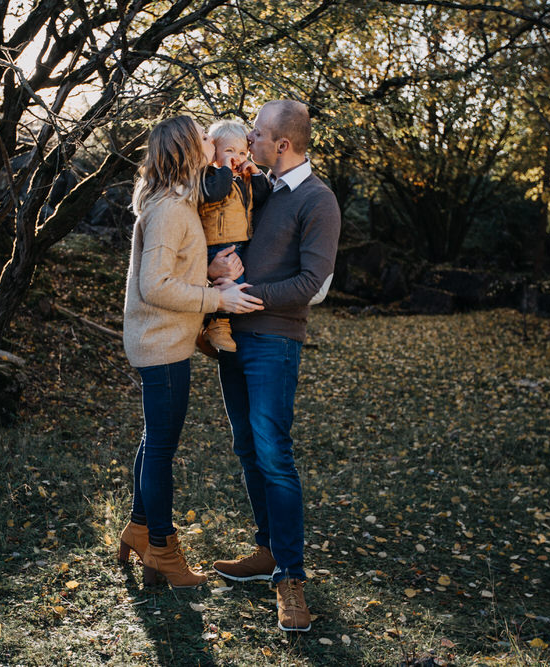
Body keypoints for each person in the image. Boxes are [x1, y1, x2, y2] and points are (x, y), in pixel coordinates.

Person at [209, 100, 341, 631]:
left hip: (274, 342)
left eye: (258, 134)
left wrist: (247, 294)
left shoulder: (318, 200)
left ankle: (290, 576)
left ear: (281, 144)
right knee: (246, 448)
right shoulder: (254, 189)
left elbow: (311, 284)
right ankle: (266, 549)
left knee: (274, 454)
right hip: (232, 340)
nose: (252, 140)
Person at [118, 115, 264, 589]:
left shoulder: (179, 203)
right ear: (187, 149)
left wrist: (208, 267)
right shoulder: (168, 210)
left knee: (152, 441)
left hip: (166, 339)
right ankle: (162, 549)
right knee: (161, 449)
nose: (211, 142)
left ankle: (139, 528)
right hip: (160, 344)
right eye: (204, 137)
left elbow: (174, 268)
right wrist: (217, 297)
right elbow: (154, 284)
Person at [198, 120, 270, 352]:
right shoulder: (209, 176)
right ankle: (215, 325)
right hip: (218, 243)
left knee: (236, 282)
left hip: (240, 241)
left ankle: (225, 325)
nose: (236, 157)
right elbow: (215, 193)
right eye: (229, 151)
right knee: (230, 285)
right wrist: (226, 169)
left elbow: (263, 197)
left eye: (241, 152)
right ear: (214, 152)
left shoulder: (243, 177)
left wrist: (256, 172)